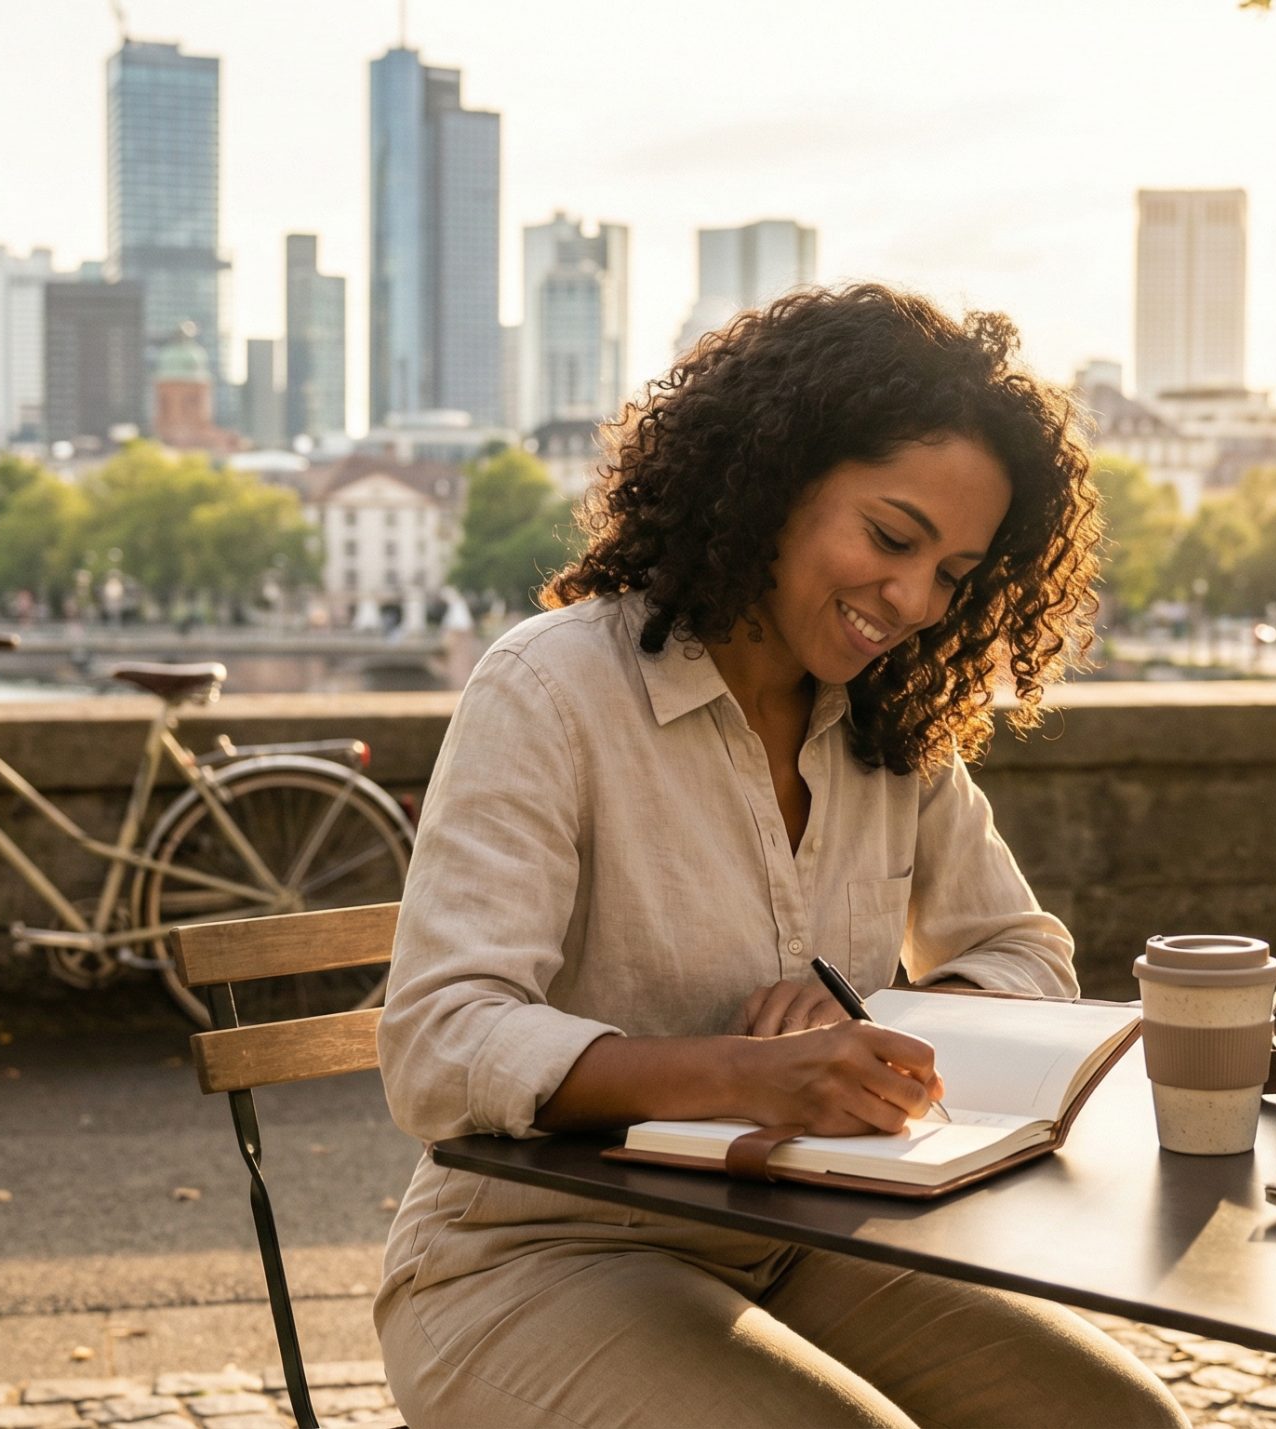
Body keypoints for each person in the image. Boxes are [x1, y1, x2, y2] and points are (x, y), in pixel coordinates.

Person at [375, 284, 1186, 1429]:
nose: (912, 600)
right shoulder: (550, 687)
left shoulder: (890, 721)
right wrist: (744, 1073)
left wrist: (886, 1026)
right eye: (891, 537)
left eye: (954, 573)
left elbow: (1023, 954)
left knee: (1125, 1423)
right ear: (769, 479)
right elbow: (438, 1042)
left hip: (801, 1235)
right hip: (525, 1259)